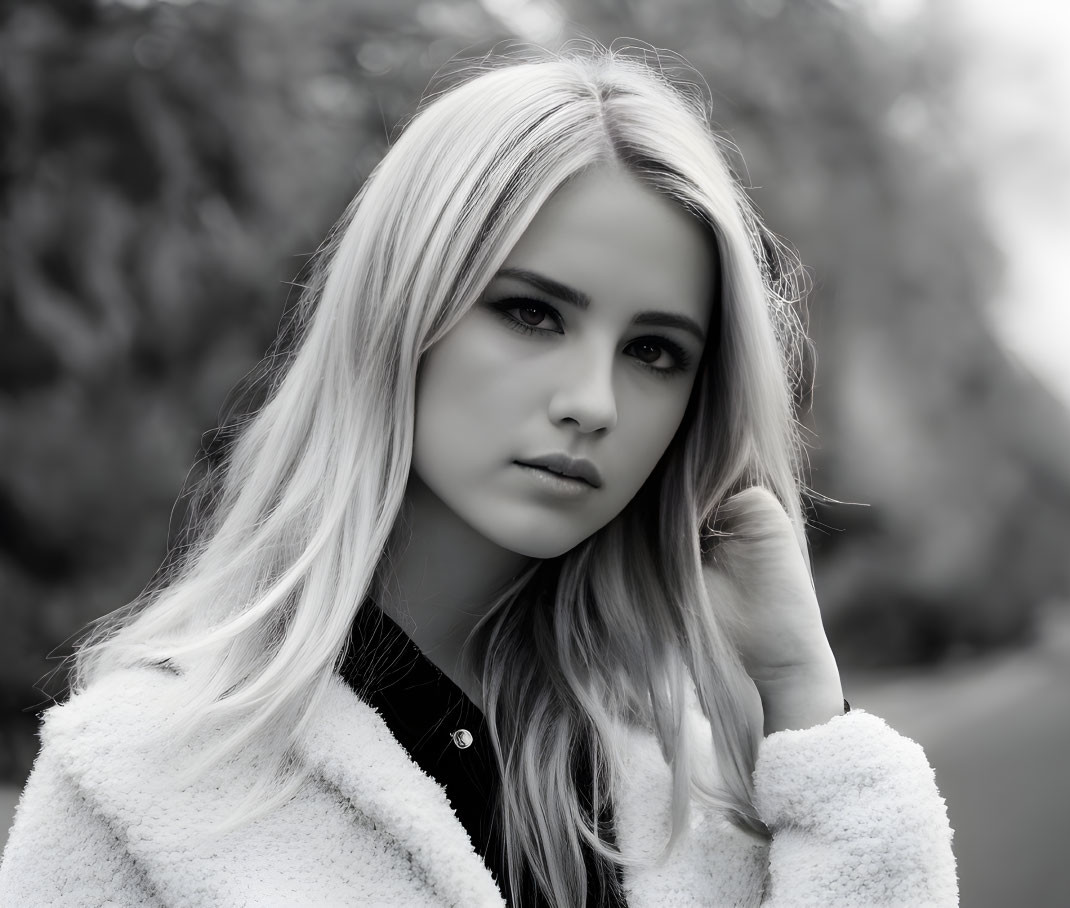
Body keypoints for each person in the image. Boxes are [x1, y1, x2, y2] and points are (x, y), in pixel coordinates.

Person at [0, 47, 958, 906]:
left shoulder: (696, 807)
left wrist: (799, 689)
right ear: (403, 306)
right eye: (534, 314)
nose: (595, 402)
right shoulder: (137, 780)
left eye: (656, 352)